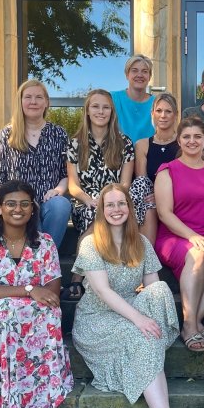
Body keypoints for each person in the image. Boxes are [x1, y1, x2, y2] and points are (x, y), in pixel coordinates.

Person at [0, 180, 73, 408]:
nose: (18, 209)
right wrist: (28, 289)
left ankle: (43, 388)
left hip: (31, 313)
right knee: (6, 312)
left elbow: (52, 294)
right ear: (0, 208)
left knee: (49, 311)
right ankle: (0, 392)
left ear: (33, 209)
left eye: (25, 204)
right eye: (11, 204)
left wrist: (26, 294)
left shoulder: (44, 243)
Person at [72, 184, 179, 408]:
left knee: (160, 290)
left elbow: (153, 288)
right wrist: (140, 320)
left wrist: (145, 318)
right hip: (97, 319)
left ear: (130, 208)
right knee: (144, 337)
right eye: (110, 205)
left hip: (131, 308)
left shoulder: (141, 242)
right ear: (102, 210)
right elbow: (103, 291)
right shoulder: (91, 244)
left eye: (121, 203)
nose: (116, 209)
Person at [154, 116, 204, 352]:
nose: (192, 141)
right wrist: (192, 236)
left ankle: (195, 319)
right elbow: (164, 214)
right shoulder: (167, 171)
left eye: (197, 136)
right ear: (179, 140)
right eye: (186, 136)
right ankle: (189, 325)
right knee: (198, 253)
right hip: (175, 237)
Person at [64, 89, 134, 300]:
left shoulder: (125, 143)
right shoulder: (75, 144)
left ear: (112, 112)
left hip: (115, 199)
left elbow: (125, 183)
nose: (101, 111)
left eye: (106, 107)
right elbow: (73, 186)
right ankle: (83, 277)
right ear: (87, 111)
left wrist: (108, 202)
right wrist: (89, 200)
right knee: (92, 214)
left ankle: (76, 278)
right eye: (96, 106)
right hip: (85, 202)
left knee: (110, 212)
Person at [0, 79, 71, 248]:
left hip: (49, 202)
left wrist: (58, 190)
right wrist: (4, 204)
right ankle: (34, 258)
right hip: (17, 204)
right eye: (28, 97)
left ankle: (44, 257)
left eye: (39, 97)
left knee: (61, 205)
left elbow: (66, 174)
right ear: (20, 102)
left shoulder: (59, 134)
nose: (33, 102)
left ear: (46, 102)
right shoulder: (5, 135)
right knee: (29, 208)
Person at [132, 93, 180, 244]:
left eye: (168, 111)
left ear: (176, 115)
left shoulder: (184, 143)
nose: (163, 115)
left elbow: (185, 179)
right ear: (152, 114)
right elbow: (142, 181)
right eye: (159, 111)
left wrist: (161, 197)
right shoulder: (142, 144)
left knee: (152, 201)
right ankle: (145, 256)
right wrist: (156, 197)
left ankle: (144, 257)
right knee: (143, 192)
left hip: (176, 199)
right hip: (149, 200)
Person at [112, 54, 155, 143]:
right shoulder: (113, 99)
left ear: (149, 77)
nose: (139, 75)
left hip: (150, 155)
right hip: (118, 154)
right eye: (134, 71)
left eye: (145, 71)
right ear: (127, 75)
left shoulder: (157, 103)